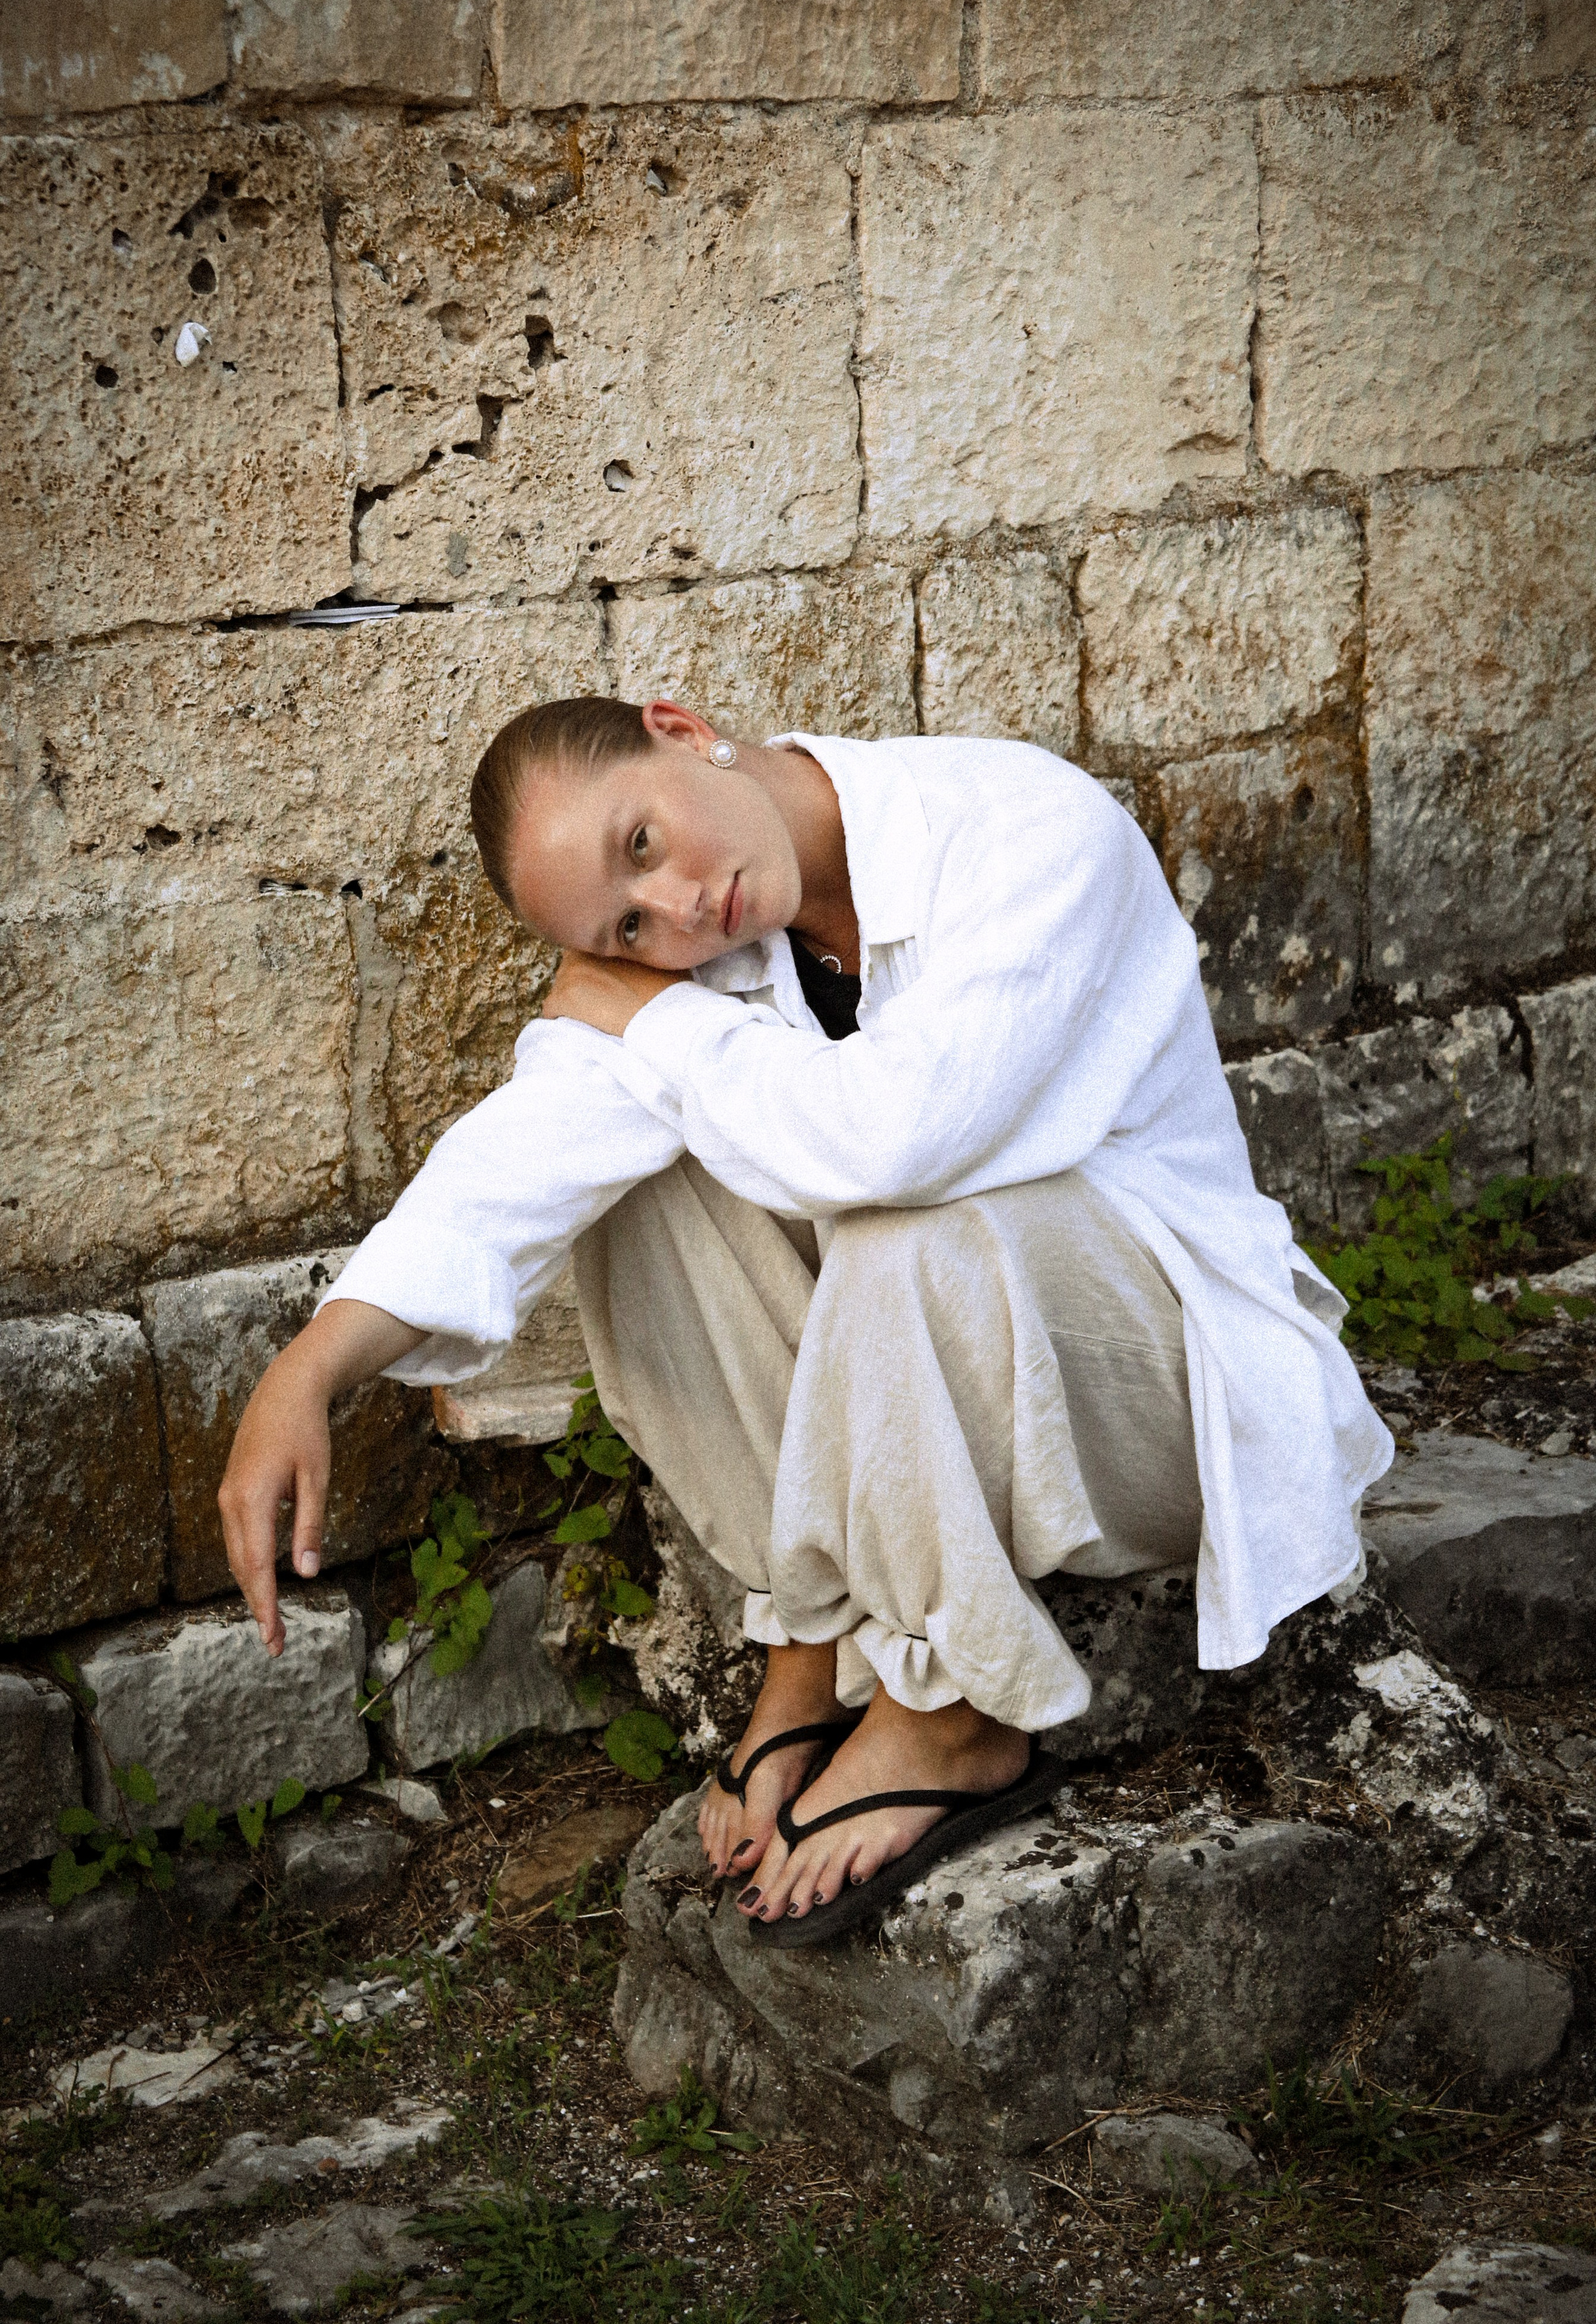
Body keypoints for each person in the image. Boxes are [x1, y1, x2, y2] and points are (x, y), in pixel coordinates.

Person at [219, 696, 1392, 1948]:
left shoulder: (1027, 830)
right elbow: (520, 1162)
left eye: (642, 842)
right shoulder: (711, 946)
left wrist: (649, 1013)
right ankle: (812, 1634)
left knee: (904, 1225)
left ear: (682, 727)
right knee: (632, 1190)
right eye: (623, 927)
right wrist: (309, 1367)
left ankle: (951, 1708)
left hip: (1146, 1405)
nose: (675, 908)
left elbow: (890, 1141)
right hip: (953, 1384)